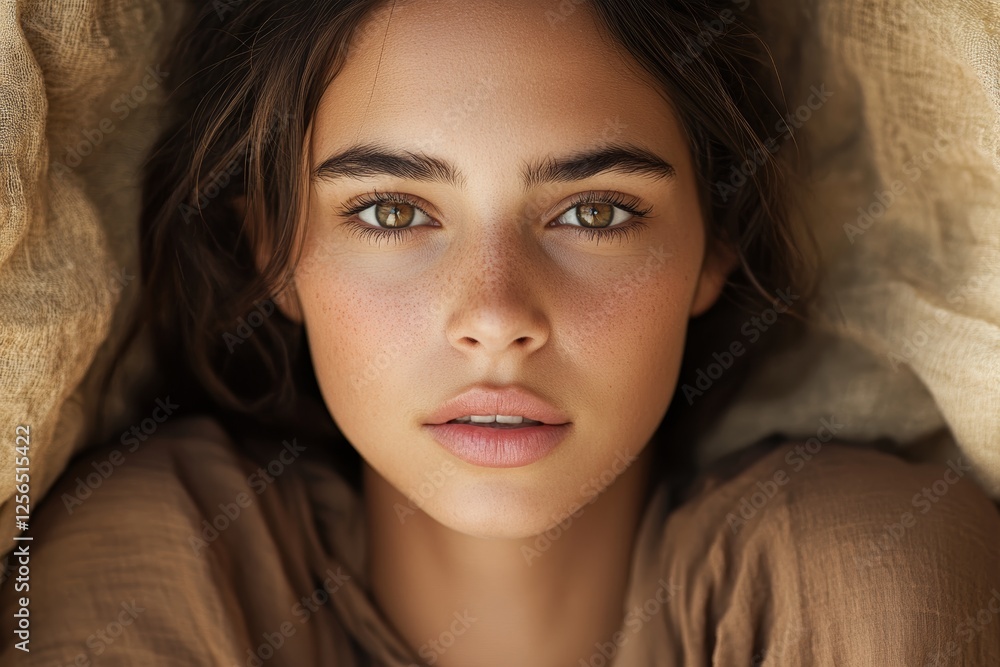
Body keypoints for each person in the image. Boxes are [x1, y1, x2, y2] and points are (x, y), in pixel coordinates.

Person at [3, 1, 999, 665]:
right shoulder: (167, 566)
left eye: (595, 213)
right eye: (393, 212)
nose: (494, 316)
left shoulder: (853, 581)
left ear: (713, 243)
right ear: (272, 251)